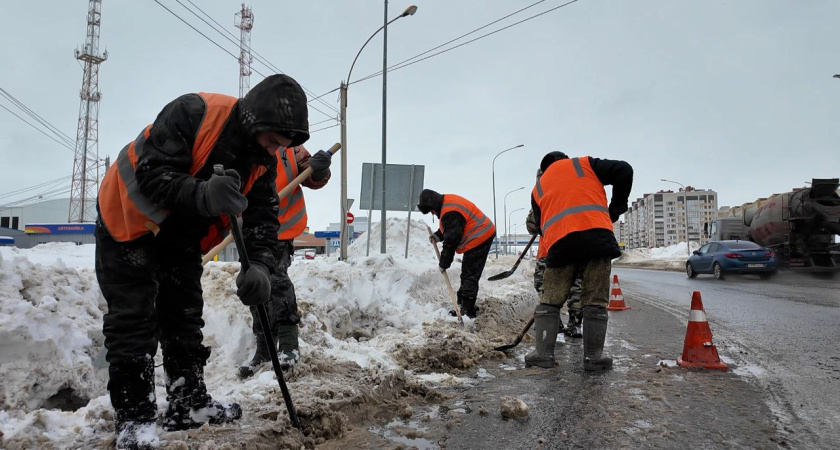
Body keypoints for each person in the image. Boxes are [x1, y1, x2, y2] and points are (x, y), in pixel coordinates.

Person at [95, 74, 309, 449]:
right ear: (254, 121)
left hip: (179, 234)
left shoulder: (263, 160)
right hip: (128, 222)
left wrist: (260, 266)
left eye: (282, 146)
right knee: (134, 319)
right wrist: (203, 193)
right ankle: (134, 418)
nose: (274, 150)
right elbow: (151, 173)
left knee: (183, 313)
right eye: (272, 141)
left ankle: (188, 403)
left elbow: (263, 219)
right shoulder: (194, 111)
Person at [524, 151, 632, 371]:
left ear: (543, 170)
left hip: (560, 244)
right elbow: (624, 170)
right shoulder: (583, 165)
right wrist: (616, 207)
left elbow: (538, 225)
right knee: (595, 299)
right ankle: (593, 358)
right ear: (565, 159)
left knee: (550, 299)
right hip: (597, 238)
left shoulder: (538, 188)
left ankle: (543, 355)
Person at [238, 144, 331, 378]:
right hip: (249, 228)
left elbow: (309, 175)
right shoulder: (236, 139)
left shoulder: (291, 145)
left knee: (278, 281)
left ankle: (289, 345)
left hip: (282, 226)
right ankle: (264, 349)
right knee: (254, 285)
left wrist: (318, 170)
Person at [417, 189, 495, 318]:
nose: (432, 212)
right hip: (479, 234)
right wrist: (438, 235)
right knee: (467, 272)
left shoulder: (450, 212)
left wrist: (444, 263)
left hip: (481, 236)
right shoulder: (447, 203)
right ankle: (462, 303)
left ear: (434, 206)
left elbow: (451, 241)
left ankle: (467, 310)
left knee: (470, 274)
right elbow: (450, 228)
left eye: (431, 210)